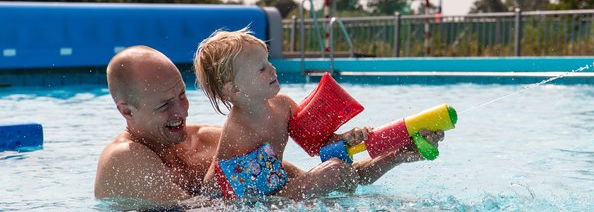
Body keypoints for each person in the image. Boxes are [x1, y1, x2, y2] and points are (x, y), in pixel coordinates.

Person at [95, 45, 443, 206]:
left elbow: (318, 182)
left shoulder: (212, 140)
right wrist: (306, 189)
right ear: (126, 111)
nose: (180, 111)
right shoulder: (126, 159)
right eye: (164, 105)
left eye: (182, 96)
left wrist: (396, 155)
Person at [192, 28, 369, 198]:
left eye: (268, 61)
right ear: (234, 89)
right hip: (223, 194)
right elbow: (253, 199)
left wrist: (343, 139)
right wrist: (312, 182)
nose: (272, 69)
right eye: (261, 68)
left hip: (268, 176)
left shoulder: (283, 105)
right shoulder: (239, 132)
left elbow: (315, 144)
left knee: (339, 176)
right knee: (324, 180)